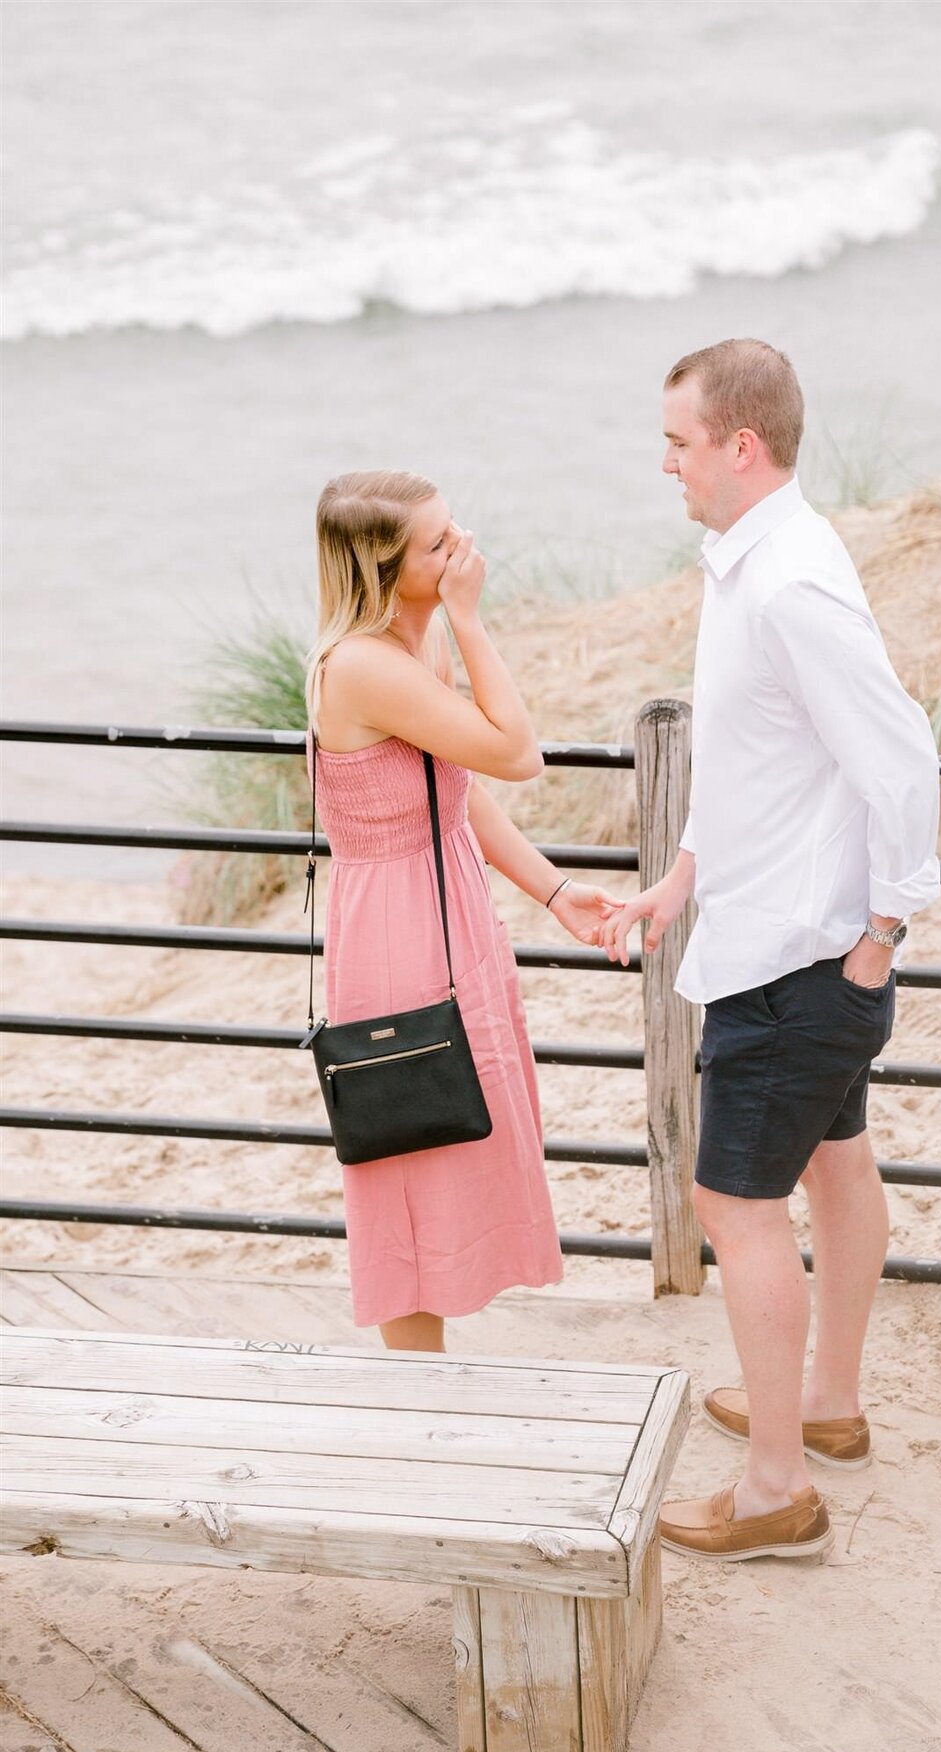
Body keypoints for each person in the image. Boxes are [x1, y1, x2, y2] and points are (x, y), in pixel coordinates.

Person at [601, 341, 941, 1561]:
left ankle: (774, 1492)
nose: (667, 462)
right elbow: (757, 758)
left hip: (800, 965)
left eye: (680, 442)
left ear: (741, 446)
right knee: (836, 1169)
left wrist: (884, 933)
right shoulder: (756, 559)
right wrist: (682, 876)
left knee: (732, 1206)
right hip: (782, 938)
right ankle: (829, 1407)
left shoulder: (788, 581)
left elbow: (898, 759)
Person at [307, 470, 621, 1352]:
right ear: (381, 564)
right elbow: (519, 753)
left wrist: (554, 891)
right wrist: (472, 618)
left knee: (453, 1133)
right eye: (439, 544)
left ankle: (426, 1372)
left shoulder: (412, 643)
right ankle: (416, 1381)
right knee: (413, 1132)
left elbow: (459, 790)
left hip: (451, 911)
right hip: (399, 929)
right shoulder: (366, 665)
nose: (463, 550)